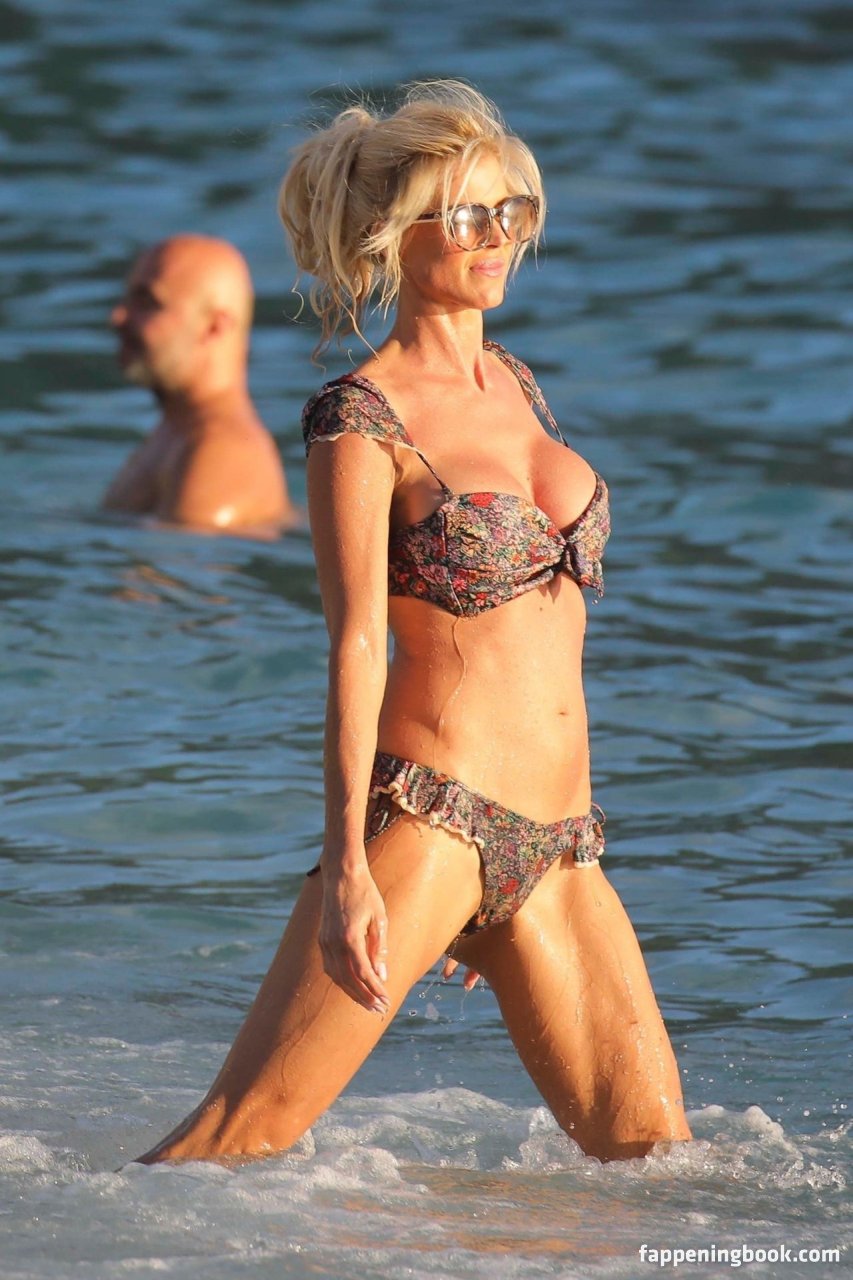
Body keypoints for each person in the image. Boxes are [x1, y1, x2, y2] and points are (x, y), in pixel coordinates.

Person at [135, 82, 691, 1165]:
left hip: (561, 847)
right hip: (434, 823)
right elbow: (355, 646)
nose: (498, 238)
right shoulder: (360, 421)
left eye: (513, 212)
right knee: (231, 1139)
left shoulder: (517, 383)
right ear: (398, 234)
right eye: (468, 215)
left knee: (658, 1167)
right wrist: (347, 867)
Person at [103, 234, 295, 536]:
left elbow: (182, 562)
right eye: (127, 298)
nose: (118, 317)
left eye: (148, 302)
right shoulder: (178, 434)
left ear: (214, 326)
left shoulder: (221, 455)